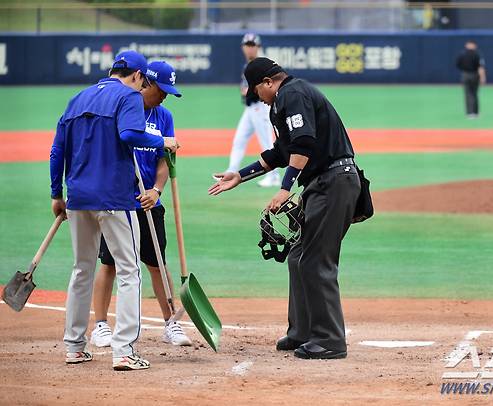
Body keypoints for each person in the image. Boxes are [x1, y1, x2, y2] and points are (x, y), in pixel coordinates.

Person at [208, 57, 361, 360]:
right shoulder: (282, 103)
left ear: (268, 82)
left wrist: (284, 189)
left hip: (334, 181)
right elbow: (281, 152)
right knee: (299, 257)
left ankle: (330, 340)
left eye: (256, 92)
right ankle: (302, 332)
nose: (257, 99)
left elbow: (303, 144)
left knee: (316, 261)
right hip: (324, 184)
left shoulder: (293, 94)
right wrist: (241, 175)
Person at [50, 50, 179, 371]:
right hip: (114, 197)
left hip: (78, 198)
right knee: (129, 269)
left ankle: (75, 346)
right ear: (137, 75)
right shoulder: (129, 97)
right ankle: (123, 350)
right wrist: (161, 141)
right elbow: (130, 135)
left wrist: (56, 193)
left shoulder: (77, 98)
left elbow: (57, 149)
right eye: (143, 80)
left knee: (82, 269)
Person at [90, 61, 192, 349]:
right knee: (109, 262)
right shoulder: (123, 108)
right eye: (162, 90)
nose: (165, 96)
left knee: (157, 263)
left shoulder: (164, 116)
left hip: (149, 201)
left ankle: (171, 322)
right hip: (120, 199)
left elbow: (164, 160)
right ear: (147, 83)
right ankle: (100, 326)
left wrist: (157, 190)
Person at [226, 33, 280, 187]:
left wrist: (249, 90)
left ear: (258, 47)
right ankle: (231, 172)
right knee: (239, 140)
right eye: (247, 45)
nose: (249, 48)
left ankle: (274, 176)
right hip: (250, 109)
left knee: (266, 141)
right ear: (243, 47)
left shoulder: (262, 64)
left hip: (261, 107)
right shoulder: (247, 64)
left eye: (252, 45)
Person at [456, 40, 486, 118]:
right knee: (474, 94)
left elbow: (458, 65)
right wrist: (482, 77)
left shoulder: (462, 54)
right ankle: (475, 112)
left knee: (468, 94)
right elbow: (481, 67)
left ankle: (470, 113)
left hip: (465, 74)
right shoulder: (477, 54)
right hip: (475, 75)